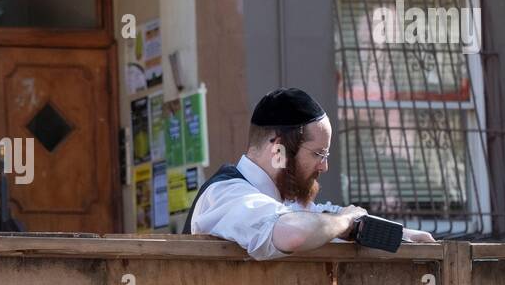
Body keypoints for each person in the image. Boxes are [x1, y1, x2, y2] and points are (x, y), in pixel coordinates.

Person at [181, 88, 435, 258]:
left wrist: (409, 237)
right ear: (278, 149)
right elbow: (294, 234)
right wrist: (345, 221)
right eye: (318, 154)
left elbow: (317, 220)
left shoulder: (284, 203)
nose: (324, 167)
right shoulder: (226, 195)